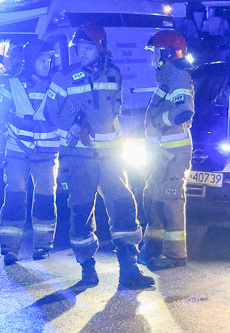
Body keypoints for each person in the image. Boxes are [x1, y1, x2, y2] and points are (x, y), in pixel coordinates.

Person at [45, 24, 155, 290]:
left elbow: (113, 111)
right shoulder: (64, 77)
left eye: (87, 48)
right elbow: (50, 113)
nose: (81, 53)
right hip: (77, 158)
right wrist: (72, 127)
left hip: (111, 157)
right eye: (78, 49)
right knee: (81, 212)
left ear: (100, 48)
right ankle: (87, 269)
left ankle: (129, 268)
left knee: (124, 205)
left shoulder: (113, 74)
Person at [0, 40, 59, 265]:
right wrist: (8, 134)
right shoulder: (12, 85)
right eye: (42, 60)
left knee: (44, 199)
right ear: (31, 61)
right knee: (14, 198)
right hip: (17, 153)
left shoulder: (55, 85)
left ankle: (42, 246)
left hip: (45, 155)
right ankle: (10, 250)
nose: (47, 64)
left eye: (49, 60)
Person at [140, 30, 195, 270]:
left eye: (156, 52)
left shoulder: (178, 77)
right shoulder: (167, 77)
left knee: (171, 200)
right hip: (160, 153)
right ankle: (153, 248)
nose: (153, 57)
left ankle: (175, 255)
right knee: (153, 196)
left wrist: (159, 122)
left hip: (174, 153)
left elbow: (184, 111)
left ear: (168, 53)